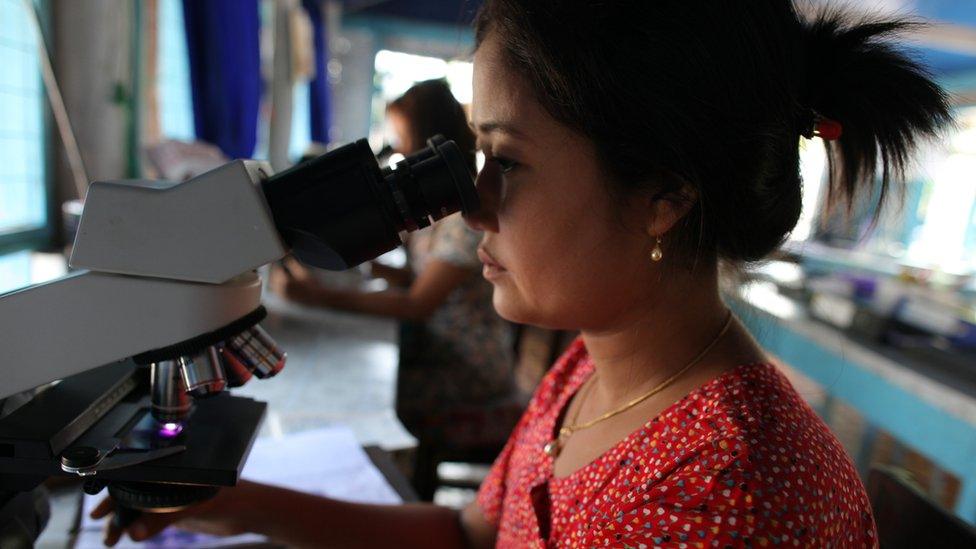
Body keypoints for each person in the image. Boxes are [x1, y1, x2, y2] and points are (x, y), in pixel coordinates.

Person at [95, 1, 950, 546]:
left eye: (506, 159)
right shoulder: (596, 364)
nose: (472, 204)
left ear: (662, 194)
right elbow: (472, 535)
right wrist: (243, 504)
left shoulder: (722, 501)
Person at [270, 79, 517, 444]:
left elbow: (417, 303)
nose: (397, 146)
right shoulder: (441, 205)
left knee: (357, 399)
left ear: (424, 136)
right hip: (432, 351)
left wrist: (318, 297)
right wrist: (356, 265)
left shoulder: (465, 214)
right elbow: (417, 275)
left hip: (466, 370)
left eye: (402, 134)